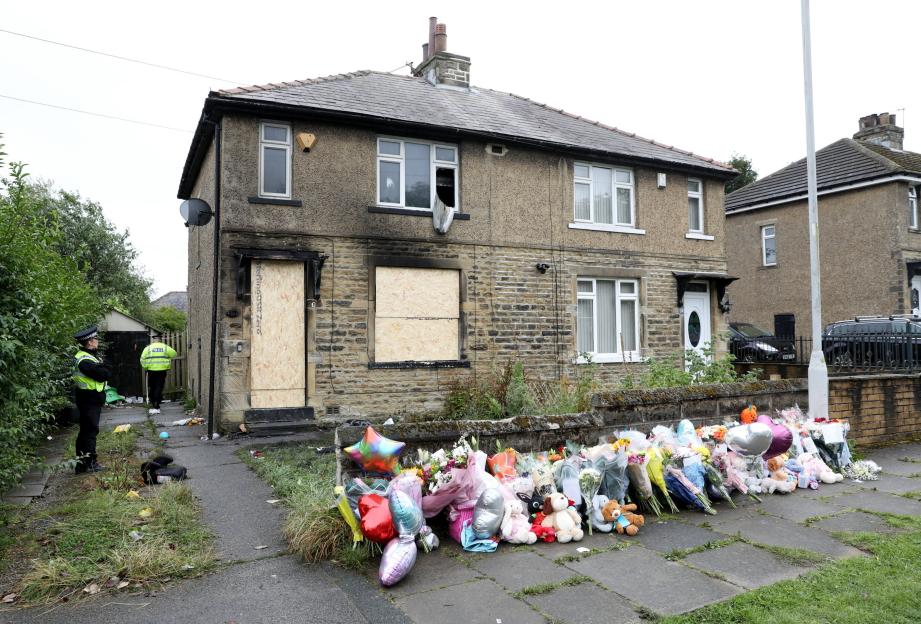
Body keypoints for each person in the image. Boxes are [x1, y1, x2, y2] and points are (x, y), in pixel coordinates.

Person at [72, 325, 111, 473]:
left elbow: (104, 371)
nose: (97, 341)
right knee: (89, 433)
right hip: (89, 399)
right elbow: (104, 374)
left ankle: (82, 464)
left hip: (89, 399)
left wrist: (103, 366)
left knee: (86, 432)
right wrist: (105, 366)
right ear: (89, 342)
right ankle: (90, 463)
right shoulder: (85, 360)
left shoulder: (90, 356)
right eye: (95, 338)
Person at [140, 338, 177, 415]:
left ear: (153, 341)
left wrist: (146, 367)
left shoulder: (148, 348)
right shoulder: (165, 347)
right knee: (159, 386)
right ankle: (157, 401)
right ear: (160, 340)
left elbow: (142, 359)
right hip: (162, 370)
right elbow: (174, 354)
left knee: (152, 386)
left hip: (151, 370)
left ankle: (153, 401)